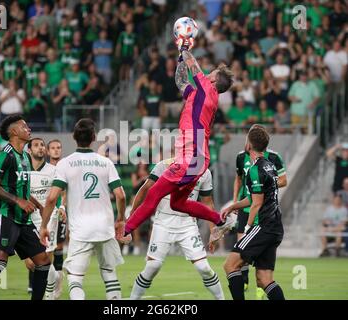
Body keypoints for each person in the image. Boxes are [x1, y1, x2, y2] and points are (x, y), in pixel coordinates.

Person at [122, 39, 234, 240]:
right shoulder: (199, 94)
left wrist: (184, 47)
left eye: (212, 74)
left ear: (215, 81)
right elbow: (181, 81)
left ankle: (125, 231)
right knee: (177, 203)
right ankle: (221, 221)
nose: (207, 74)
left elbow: (193, 66)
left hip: (190, 158)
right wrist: (180, 58)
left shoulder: (209, 90)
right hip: (195, 158)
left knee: (153, 195)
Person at [39, 118, 126, 300]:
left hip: (81, 230)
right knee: (109, 274)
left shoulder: (65, 164)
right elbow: (121, 195)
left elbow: (52, 197)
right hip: (105, 227)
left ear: (73, 137)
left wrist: (44, 225)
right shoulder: (106, 162)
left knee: (75, 278)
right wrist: (120, 219)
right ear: (94, 137)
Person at [0, 115, 51, 300]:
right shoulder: (5, 154)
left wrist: (38, 205)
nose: (29, 129)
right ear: (14, 132)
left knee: (43, 262)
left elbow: (22, 187)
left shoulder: (25, 156)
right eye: (24, 126)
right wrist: (18, 201)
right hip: (6, 215)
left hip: (23, 220)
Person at [129, 159, 225, 300]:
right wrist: (132, 215)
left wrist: (213, 231)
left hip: (187, 224)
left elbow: (208, 203)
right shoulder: (164, 165)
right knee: (152, 267)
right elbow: (145, 188)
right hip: (163, 223)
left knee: (204, 268)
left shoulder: (204, 171)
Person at [222, 126, 285, 300]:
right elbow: (253, 198)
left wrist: (248, 228)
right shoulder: (269, 165)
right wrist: (233, 206)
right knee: (264, 279)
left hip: (264, 226)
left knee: (230, 265)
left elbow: (256, 204)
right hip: (274, 227)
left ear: (249, 144)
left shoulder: (255, 169)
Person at [24, 138, 65, 299]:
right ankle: (54, 280)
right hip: (28, 219)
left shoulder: (53, 170)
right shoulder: (23, 171)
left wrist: (60, 207)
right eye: (36, 145)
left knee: (44, 258)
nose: (40, 148)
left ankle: (48, 294)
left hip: (48, 219)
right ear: (29, 150)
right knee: (32, 262)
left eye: (42, 145)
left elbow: (58, 193)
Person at [47, 139, 66, 299]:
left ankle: (58, 281)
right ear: (48, 151)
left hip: (60, 213)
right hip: (45, 213)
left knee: (58, 247)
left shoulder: (64, 168)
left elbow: (64, 192)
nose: (56, 150)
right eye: (53, 148)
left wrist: (63, 207)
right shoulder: (44, 169)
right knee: (44, 250)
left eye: (58, 147)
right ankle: (36, 283)